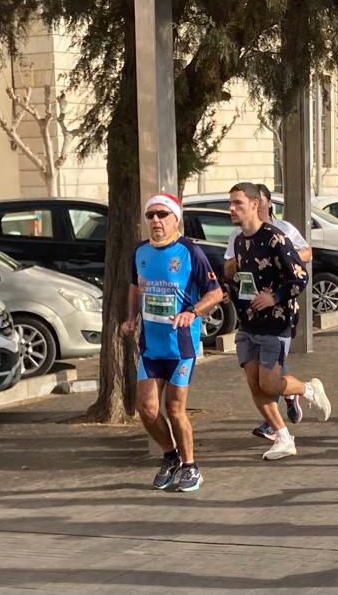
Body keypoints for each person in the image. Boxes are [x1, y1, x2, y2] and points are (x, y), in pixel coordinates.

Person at [122, 193, 224, 492]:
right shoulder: (140, 251)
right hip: (150, 345)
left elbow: (215, 293)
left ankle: (191, 466)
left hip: (180, 345)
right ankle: (171, 456)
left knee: (175, 408)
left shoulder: (190, 251)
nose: (155, 220)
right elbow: (135, 287)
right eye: (150, 215)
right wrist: (130, 317)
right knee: (146, 408)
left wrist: (192, 312)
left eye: (162, 214)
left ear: (175, 218)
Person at [225, 182, 331, 460]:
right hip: (247, 323)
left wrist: (274, 297)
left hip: (276, 322)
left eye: (237, 203)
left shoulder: (275, 238)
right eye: (230, 203)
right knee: (254, 384)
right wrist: (231, 293)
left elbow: (300, 277)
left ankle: (308, 389)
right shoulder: (238, 241)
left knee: (270, 384)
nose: (231, 208)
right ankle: (283, 437)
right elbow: (243, 278)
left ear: (254, 204)